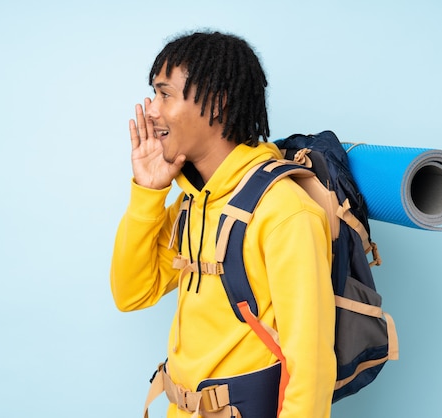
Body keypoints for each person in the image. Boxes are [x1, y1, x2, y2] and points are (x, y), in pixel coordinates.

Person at [110, 30, 336, 418]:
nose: (150, 109)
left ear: (216, 103)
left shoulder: (284, 211)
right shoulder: (191, 203)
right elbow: (132, 293)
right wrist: (147, 193)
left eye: (165, 94)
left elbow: (311, 368)